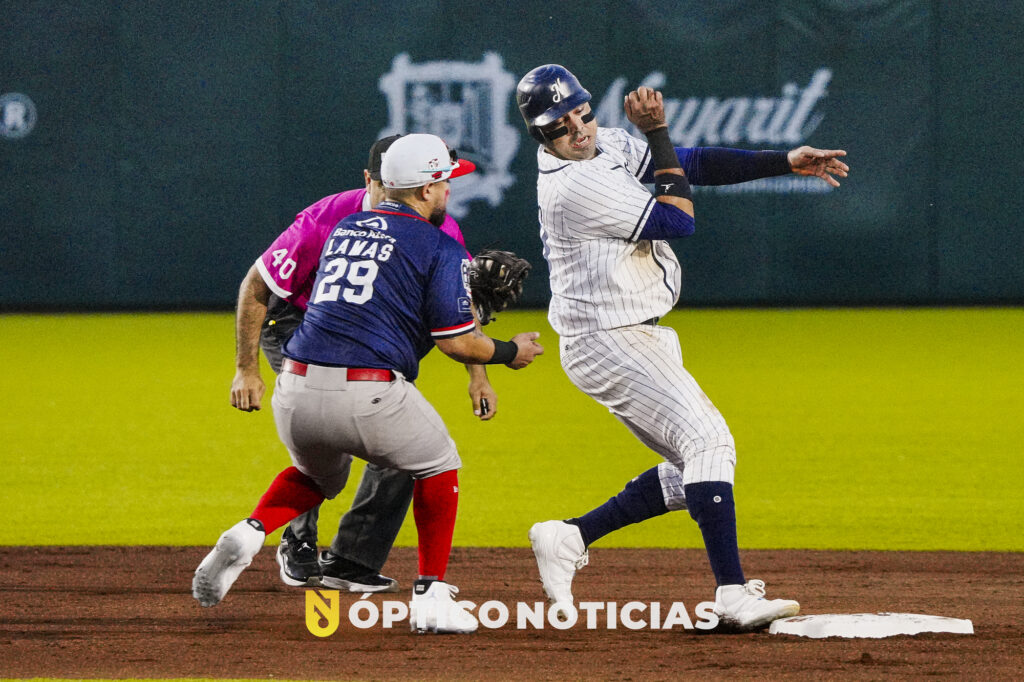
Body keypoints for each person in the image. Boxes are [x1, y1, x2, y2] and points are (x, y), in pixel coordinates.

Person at [515, 64, 849, 631]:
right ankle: (732, 594)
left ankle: (571, 536)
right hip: (608, 337)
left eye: (582, 114)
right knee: (710, 442)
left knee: (691, 466)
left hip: (627, 330)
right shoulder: (573, 185)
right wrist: (657, 130)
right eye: (559, 125)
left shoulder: (601, 146)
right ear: (540, 135)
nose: (578, 130)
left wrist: (782, 161)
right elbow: (676, 219)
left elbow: (688, 164)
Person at [193, 133, 545, 635]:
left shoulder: (345, 228)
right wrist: (509, 352)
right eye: (445, 181)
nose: (450, 189)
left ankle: (250, 532)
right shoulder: (436, 243)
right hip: (367, 387)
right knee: (438, 462)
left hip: (296, 384)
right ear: (425, 189)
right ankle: (432, 595)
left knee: (319, 477)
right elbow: (455, 342)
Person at [231, 135, 494, 594]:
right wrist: (246, 368)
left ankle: (351, 560)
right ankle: (298, 539)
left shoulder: (440, 228)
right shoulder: (327, 216)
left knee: (402, 448)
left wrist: (479, 376)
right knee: (319, 424)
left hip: (375, 334)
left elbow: (460, 310)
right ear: (371, 179)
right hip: (297, 322)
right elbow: (258, 285)